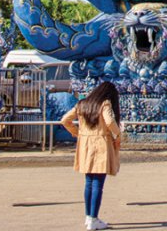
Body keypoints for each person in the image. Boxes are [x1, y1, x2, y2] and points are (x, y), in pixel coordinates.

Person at [60, 81, 123, 230]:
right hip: (101, 143)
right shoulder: (105, 103)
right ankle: (94, 218)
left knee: (89, 181)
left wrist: (78, 133)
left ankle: (89, 216)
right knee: (98, 183)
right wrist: (118, 135)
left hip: (85, 144)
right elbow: (109, 121)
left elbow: (65, 120)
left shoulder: (82, 104)